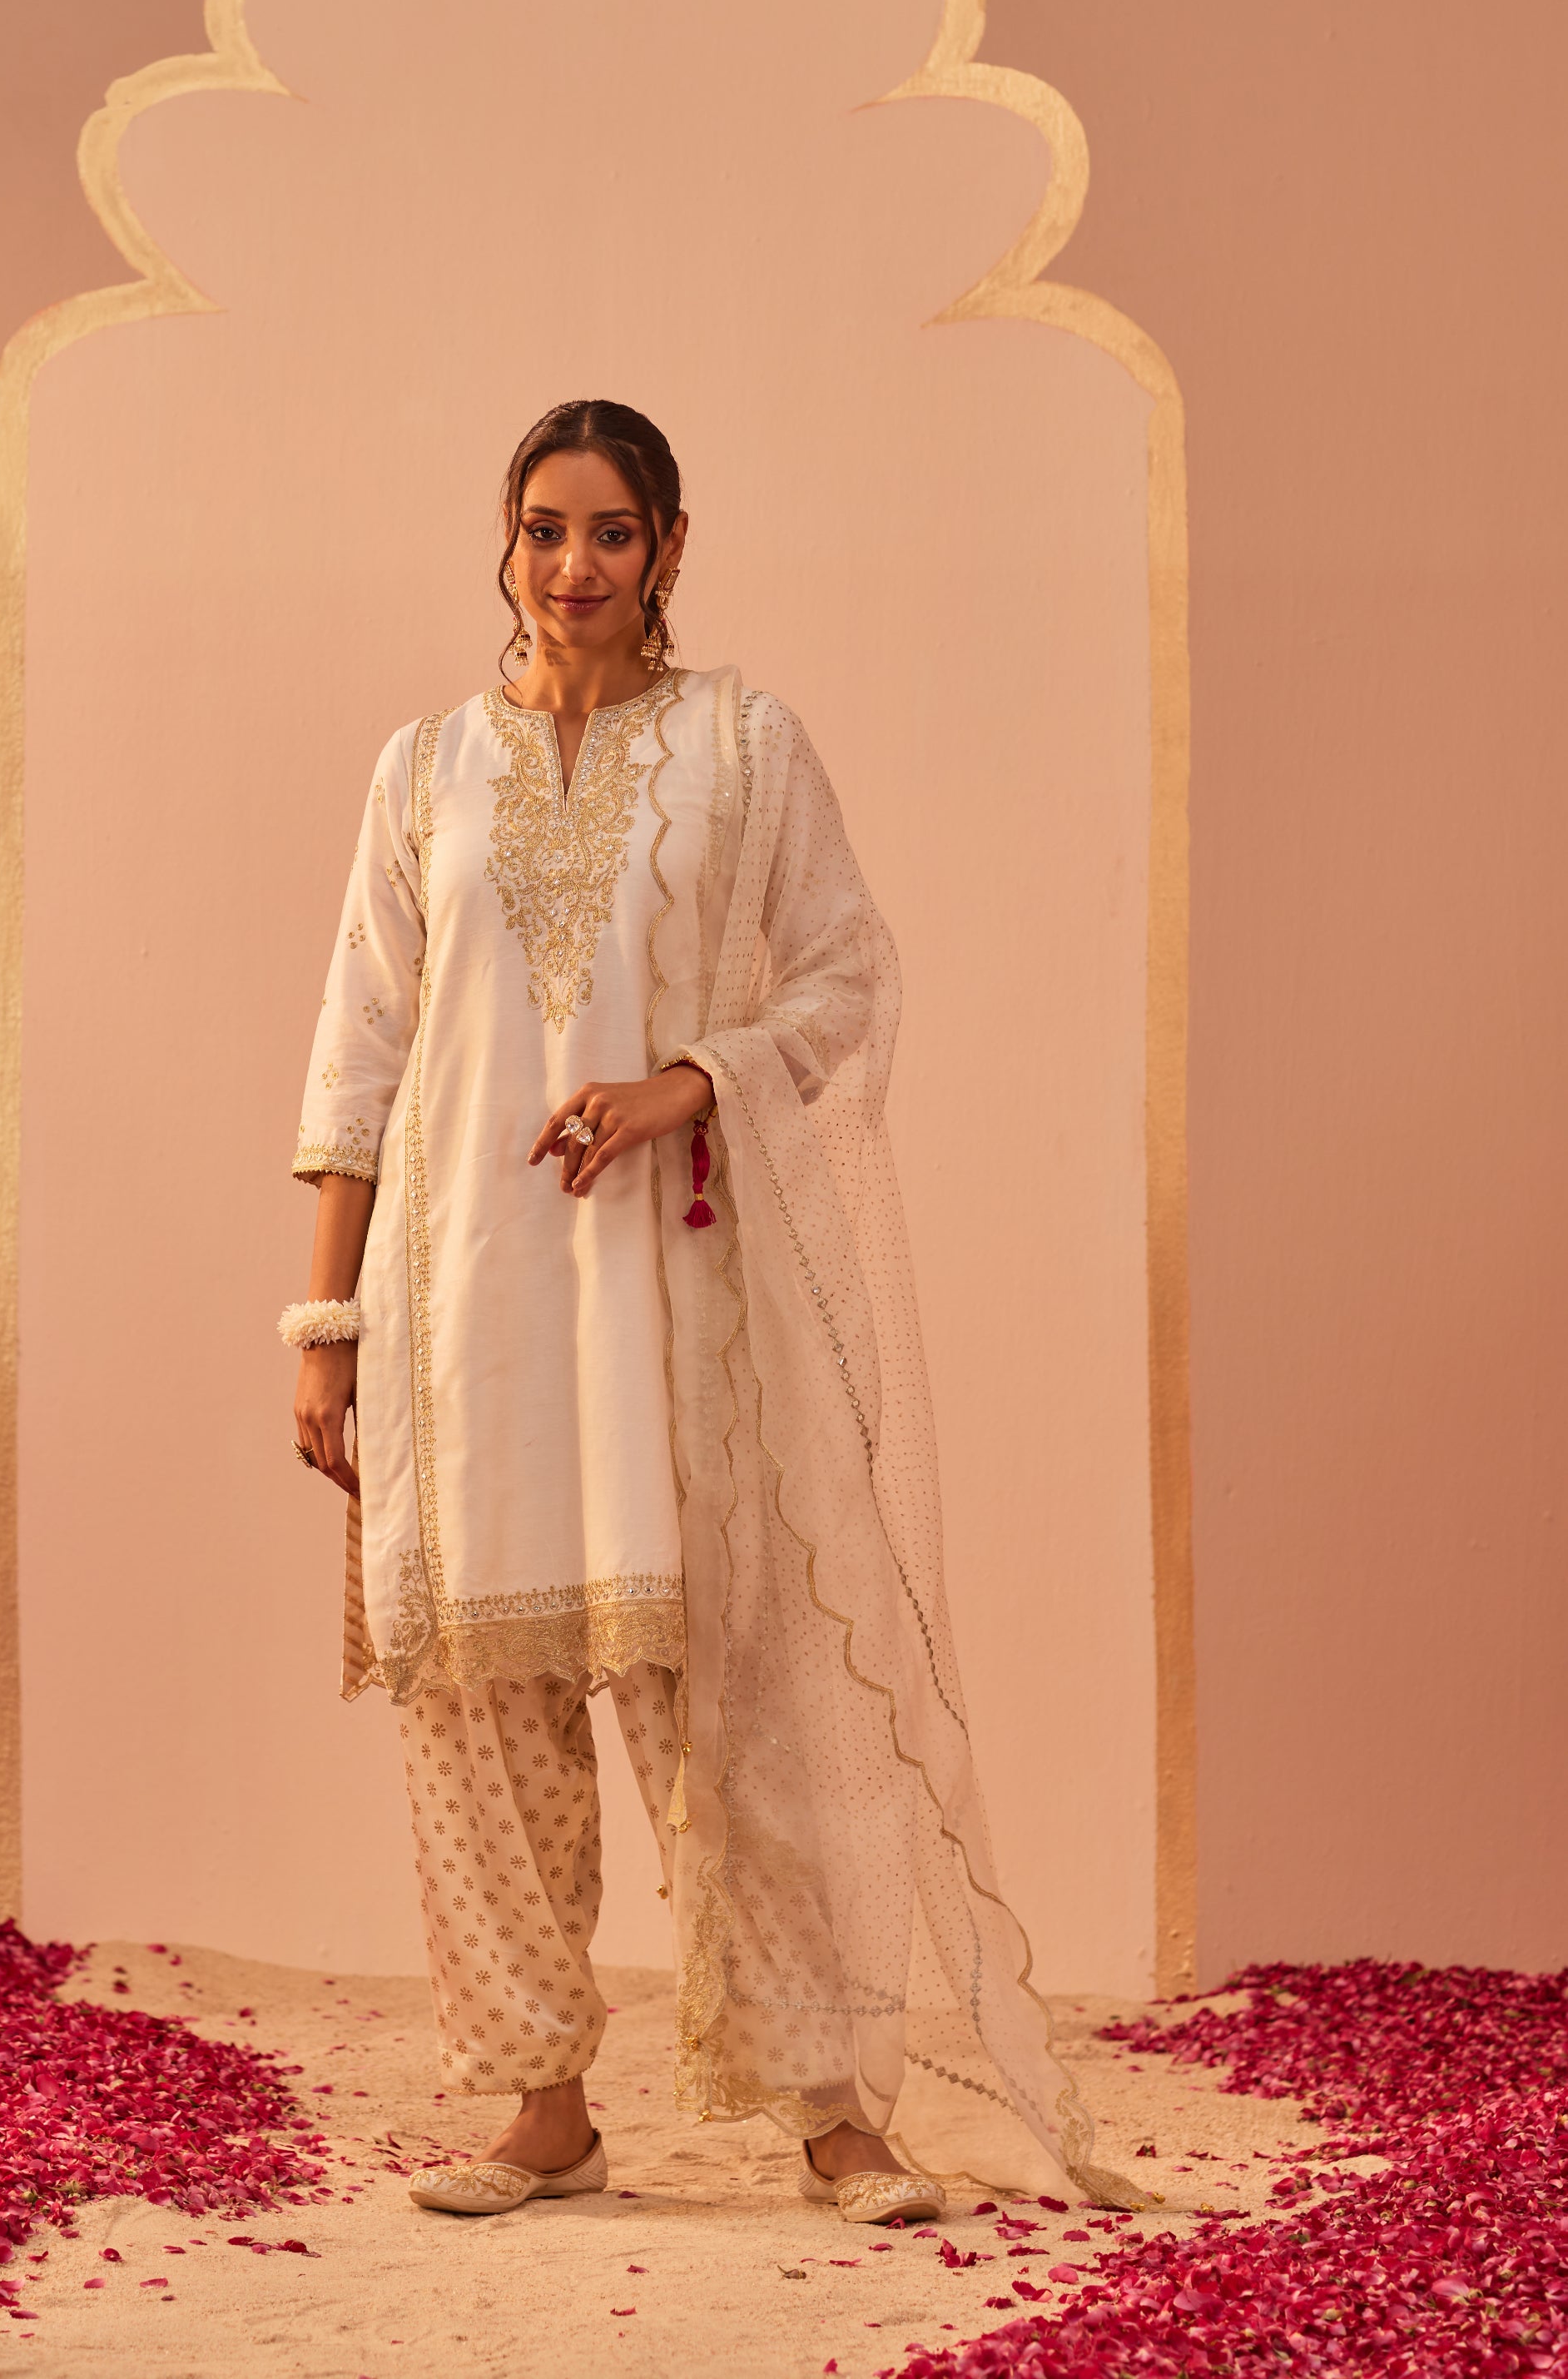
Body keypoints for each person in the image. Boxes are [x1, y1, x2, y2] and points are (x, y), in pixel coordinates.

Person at [282, 399, 1131, 2223]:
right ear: (502, 539)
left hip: (669, 1302)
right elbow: (361, 1045)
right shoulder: (422, 768)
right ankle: (544, 2111)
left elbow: (845, 977)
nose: (571, 565)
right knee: (483, 1717)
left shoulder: (743, 748)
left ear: (671, 544)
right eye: (542, 528)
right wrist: (322, 1325)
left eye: (610, 530)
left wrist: (687, 1079)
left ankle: (832, 2113)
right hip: (457, 1305)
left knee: (733, 1712)